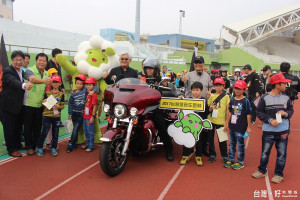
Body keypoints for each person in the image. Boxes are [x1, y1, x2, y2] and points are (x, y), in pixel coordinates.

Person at [252, 74, 294, 184]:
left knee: (281, 154)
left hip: (283, 131)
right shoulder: (264, 98)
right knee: (265, 152)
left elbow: (291, 110)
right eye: (284, 83)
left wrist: (285, 113)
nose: (286, 85)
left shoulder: (286, 97)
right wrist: (270, 120)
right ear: (277, 85)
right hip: (268, 131)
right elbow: (259, 112)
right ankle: (262, 170)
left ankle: (278, 174)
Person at [0, 51, 33, 157]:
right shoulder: (7, 71)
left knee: (18, 126)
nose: (18, 62)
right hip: (8, 105)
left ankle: (18, 144)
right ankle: (12, 149)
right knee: (10, 127)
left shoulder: (22, 72)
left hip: (19, 105)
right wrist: (24, 85)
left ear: (23, 61)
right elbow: (13, 82)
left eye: (20, 60)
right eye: (16, 60)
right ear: (12, 60)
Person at [143, 58, 174, 161]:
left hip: (156, 107)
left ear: (155, 69)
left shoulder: (160, 79)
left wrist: (165, 85)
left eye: (151, 69)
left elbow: (170, 88)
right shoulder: (142, 79)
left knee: (161, 126)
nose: (149, 70)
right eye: (147, 68)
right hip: (143, 107)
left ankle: (169, 150)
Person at [22, 53, 52, 156]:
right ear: (36, 61)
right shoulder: (29, 70)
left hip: (40, 105)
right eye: (40, 60)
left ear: (46, 62)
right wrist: (45, 81)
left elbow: (48, 89)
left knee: (38, 126)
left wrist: (46, 101)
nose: (42, 62)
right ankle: (29, 147)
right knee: (28, 127)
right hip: (28, 104)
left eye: (44, 61)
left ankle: (36, 145)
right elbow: (32, 79)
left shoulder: (47, 73)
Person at [180, 82, 210, 166]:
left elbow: (206, 113)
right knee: (187, 139)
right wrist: (180, 100)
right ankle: (185, 155)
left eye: (197, 90)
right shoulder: (188, 99)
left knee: (199, 141)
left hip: (198, 126)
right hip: (189, 125)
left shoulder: (203, 100)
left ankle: (198, 156)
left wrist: (210, 109)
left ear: (201, 91)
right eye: (193, 90)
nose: (195, 92)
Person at [67, 74, 99, 153]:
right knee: (83, 130)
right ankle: (85, 143)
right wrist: (70, 114)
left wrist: (94, 90)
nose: (79, 85)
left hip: (84, 115)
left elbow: (97, 87)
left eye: (81, 84)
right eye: (77, 83)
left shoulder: (87, 91)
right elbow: (70, 104)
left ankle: (73, 143)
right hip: (79, 114)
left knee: (81, 130)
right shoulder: (74, 93)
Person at [224, 80, 252, 170]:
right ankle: (231, 159)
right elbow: (229, 112)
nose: (237, 90)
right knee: (231, 144)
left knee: (240, 145)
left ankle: (240, 162)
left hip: (241, 127)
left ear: (244, 90)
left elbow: (248, 114)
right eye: (236, 88)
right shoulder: (232, 99)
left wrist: (249, 127)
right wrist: (227, 123)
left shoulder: (245, 101)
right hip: (232, 126)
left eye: (240, 89)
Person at [36, 75, 64, 156]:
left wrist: (58, 107)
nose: (55, 84)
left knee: (55, 133)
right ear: (51, 83)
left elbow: (62, 106)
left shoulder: (61, 94)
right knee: (44, 132)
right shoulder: (47, 93)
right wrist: (44, 102)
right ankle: (39, 147)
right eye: (54, 82)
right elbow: (44, 106)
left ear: (60, 83)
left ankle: (54, 147)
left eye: (57, 82)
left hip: (56, 117)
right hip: (47, 116)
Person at [207, 78, 230, 163]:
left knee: (222, 140)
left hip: (221, 121)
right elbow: (208, 107)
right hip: (211, 120)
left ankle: (224, 155)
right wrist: (209, 103)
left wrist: (226, 122)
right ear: (214, 86)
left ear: (223, 86)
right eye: (216, 85)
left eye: (220, 85)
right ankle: (212, 154)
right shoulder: (212, 96)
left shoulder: (226, 96)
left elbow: (228, 109)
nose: (218, 87)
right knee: (210, 139)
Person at [82, 77, 98, 152]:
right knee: (85, 130)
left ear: (94, 86)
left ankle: (91, 145)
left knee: (90, 131)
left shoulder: (94, 95)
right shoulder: (88, 92)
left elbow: (95, 106)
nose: (88, 86)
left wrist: (93, 116)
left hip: (90, 116)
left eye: (90, 85)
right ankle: (88, 143)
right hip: (85, 115)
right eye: (87, 85)